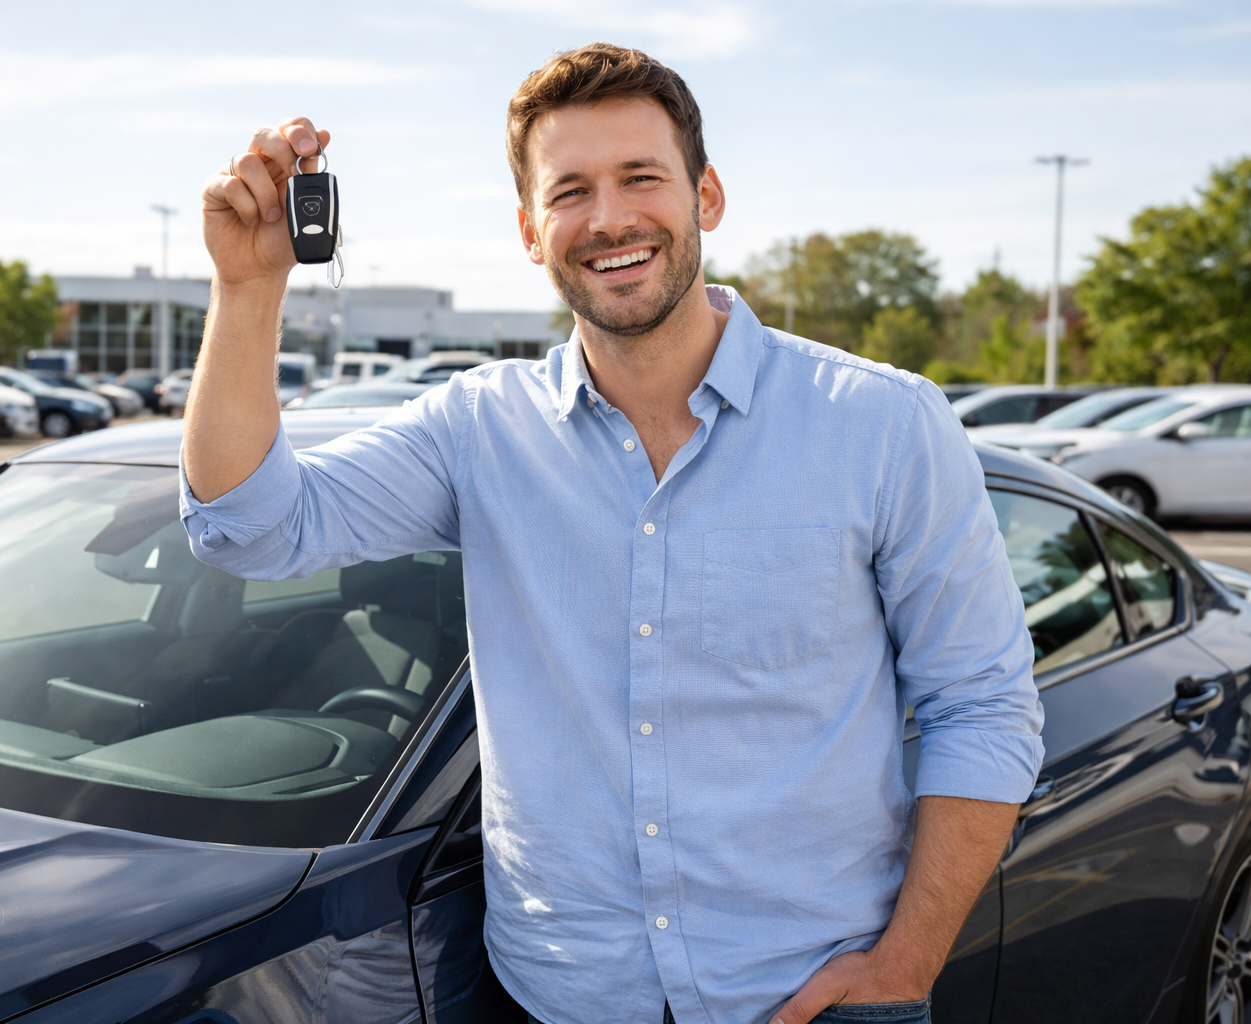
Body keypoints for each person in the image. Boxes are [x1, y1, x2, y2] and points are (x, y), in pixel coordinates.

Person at [180, 43, 1042, 1024]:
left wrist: (905, 966)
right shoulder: (477, 429)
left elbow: (981, 707)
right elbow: (246, 530)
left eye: (642, 178)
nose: (611, 220)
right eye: (571, 191)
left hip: (816, 997)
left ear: (706, 196)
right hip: (557, 999)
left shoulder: (884, 423)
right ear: (529, 230)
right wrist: (247, 291)